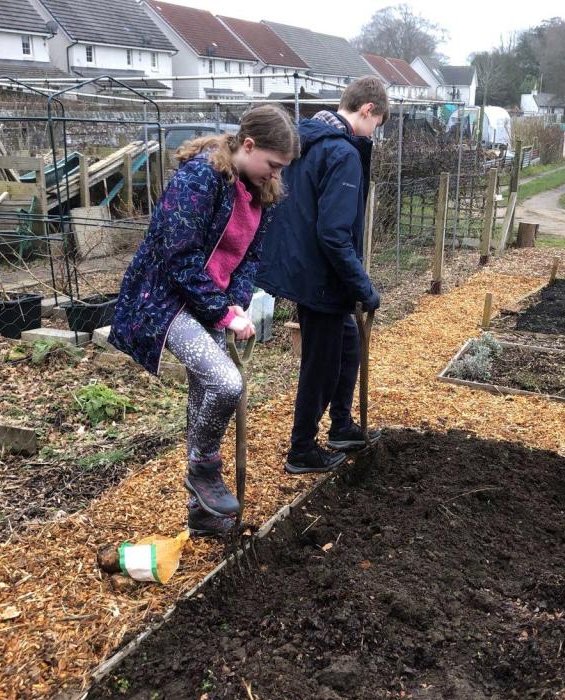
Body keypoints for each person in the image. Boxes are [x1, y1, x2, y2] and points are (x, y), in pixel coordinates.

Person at [109, 105, 300, 537]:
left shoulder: (261, 192)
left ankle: (202, 519)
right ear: (247, 145)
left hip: (208, 300)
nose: (274, 175)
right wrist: (221, 311)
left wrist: (235, 306)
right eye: (272, 164)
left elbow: (249, 257)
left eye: (280, 168)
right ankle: (204, 469)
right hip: (163, 299)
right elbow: (179, 256)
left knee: (202, 399)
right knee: (226, 383)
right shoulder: (199, 179)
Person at [257, 76, 387, 474]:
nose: (373, 135)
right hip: (321, 275)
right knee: (322, 361)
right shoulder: (341, 153)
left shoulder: (305, 139)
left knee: (346, 344)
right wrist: (363, 287)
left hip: (301, 265)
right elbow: (333, 233)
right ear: (367, 110)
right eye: (376, 125)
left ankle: (342, 426)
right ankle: (301, 449)